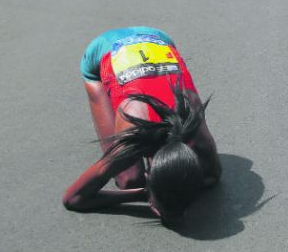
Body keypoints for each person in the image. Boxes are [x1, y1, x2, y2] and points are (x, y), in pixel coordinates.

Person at [62, 27, 221, 225]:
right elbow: (73, 199)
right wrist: (139, 193)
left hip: (159, 41)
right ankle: (101, 81)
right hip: (106, 49)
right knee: (128, 180)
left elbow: (212, 177)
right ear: (149, 176)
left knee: (209, 179)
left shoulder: (199, 141)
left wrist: (157, 195)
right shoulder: (130, 141)